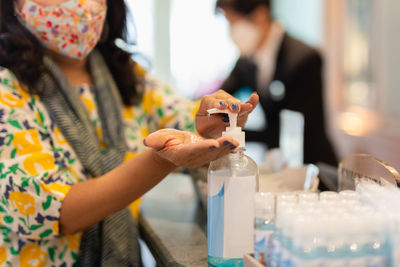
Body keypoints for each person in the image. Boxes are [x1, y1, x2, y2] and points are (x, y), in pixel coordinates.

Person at [0, 0, 259, 266]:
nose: (78, 4)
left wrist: (213, 121)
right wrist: (160, 160)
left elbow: (187, 120)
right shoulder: (7, 88)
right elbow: (52, 210)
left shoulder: (125, 75)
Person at [216, 0, 338, 167]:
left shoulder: (304, 59)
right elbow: (220, 96)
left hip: (311, 166)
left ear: (260, 14)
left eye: (234, 22)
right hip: (278, 164)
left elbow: (293, 128)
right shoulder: (246, 60)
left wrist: (232, 134)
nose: (231, 31)